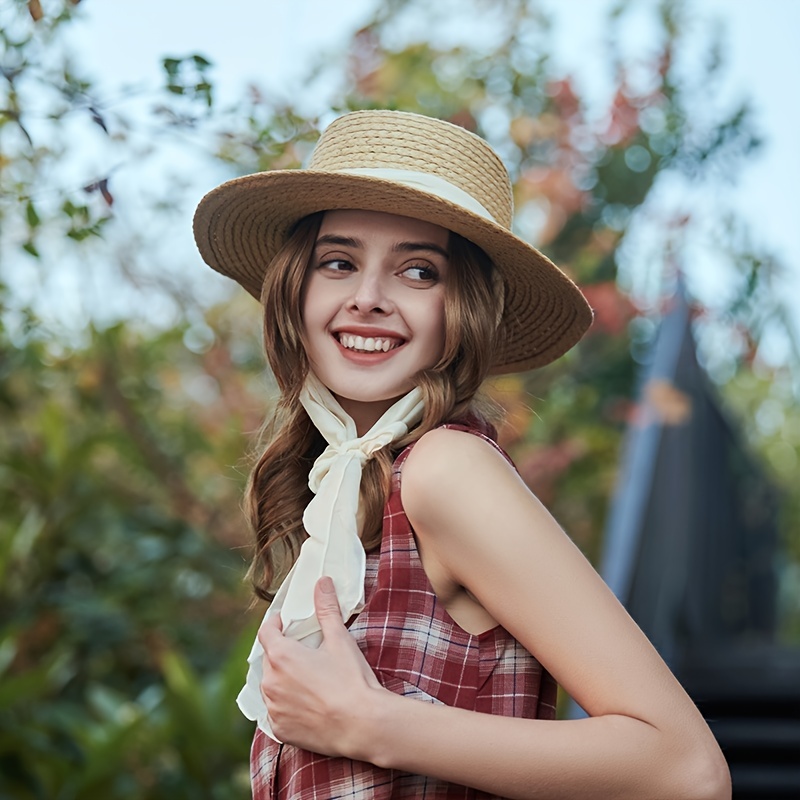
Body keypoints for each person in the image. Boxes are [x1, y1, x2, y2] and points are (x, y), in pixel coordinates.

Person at [193, 110, 730, 799]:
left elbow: (686, 770)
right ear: (296, 289)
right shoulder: (351, 492)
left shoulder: (445, 470)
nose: (368, 299)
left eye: (418, 271)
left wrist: (372, 724)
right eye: (339, 261)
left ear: (462, 309)